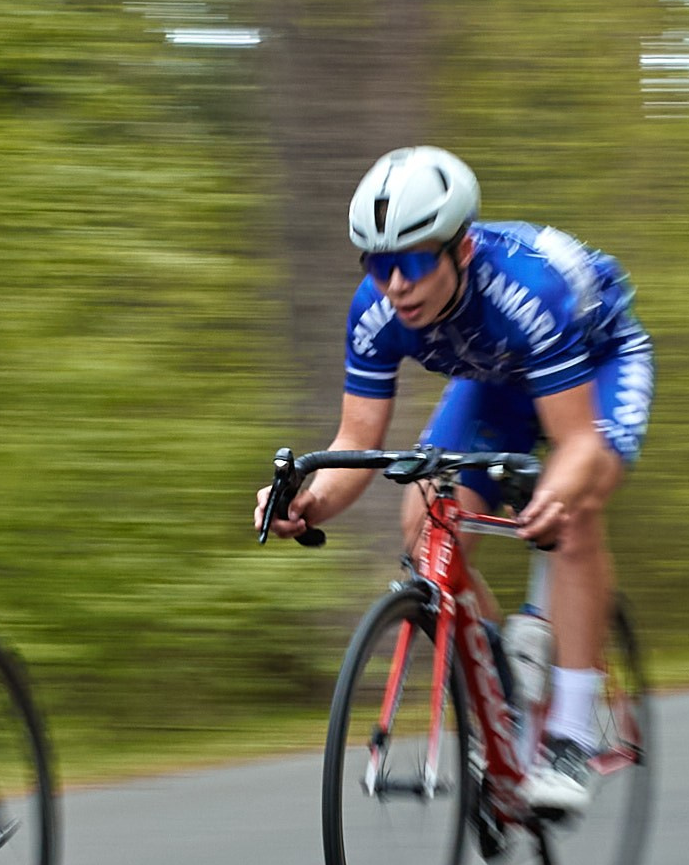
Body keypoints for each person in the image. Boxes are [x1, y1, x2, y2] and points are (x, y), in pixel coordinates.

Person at [255, 146, 651, 819]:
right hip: (495, 380)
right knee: (424, 519)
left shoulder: (529, 289)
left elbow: (577, 439)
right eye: (378, 266)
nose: (396, 286)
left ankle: (571, 735)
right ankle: (502, 686)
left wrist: (557, 483)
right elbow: (357, 442)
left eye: (411, 263)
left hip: (599, 362)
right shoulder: (375, 311)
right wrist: (308, 499)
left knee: (571, 506)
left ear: (460, 248)